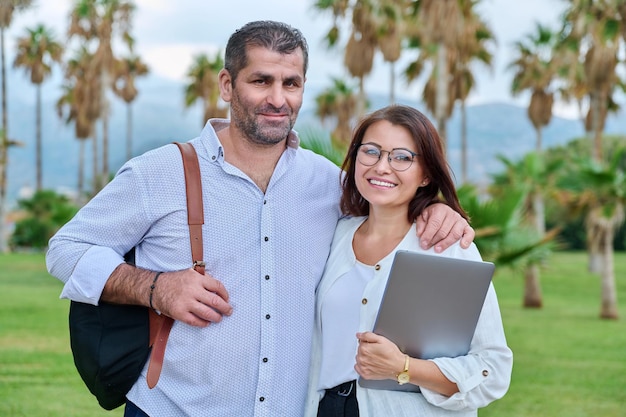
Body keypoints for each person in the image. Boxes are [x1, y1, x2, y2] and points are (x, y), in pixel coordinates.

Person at [46, 21, 475, 417]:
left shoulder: (329, 183)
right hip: (173, 408)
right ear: (227, 85)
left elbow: (391, 205)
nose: (278, 98)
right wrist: (156, 288)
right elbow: (65, 250)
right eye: (261, 81)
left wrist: (435, 209)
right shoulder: (159, 172)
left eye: (292, 83)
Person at [304, 105, 512, 417]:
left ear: (426, 174)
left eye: (402, 157)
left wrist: (404, 368)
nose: (381, 167)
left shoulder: (449, 247)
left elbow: (491, 370)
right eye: (371, 151)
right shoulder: (333, 236)